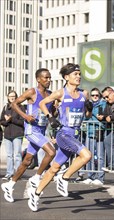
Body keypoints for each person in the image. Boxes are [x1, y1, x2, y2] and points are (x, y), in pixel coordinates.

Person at [27, 63, 92, 212]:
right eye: (75, 74)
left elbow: (87, 116)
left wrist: (89, 109)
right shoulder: (60, 93)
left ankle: (35, 194)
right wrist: (50, 117)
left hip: (74, 134)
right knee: (86, 155)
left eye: (79, 74)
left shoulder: (84, 94)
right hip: (63, 134)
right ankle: (64, 177)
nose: (79, 77)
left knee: (54, 168)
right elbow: (43, 103)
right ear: (66, 77)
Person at [1, 68, 57, 203]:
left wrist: (55, 109)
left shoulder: (50, 94)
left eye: (50, 78)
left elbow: (51, 112)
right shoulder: (32, 92)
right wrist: (25, 116)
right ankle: (36, 177)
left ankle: (9, 185)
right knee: (51, 152)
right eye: (46, 78)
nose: (49, 80)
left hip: (41, 131)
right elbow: (14, 104)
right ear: (38, 79)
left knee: (26, 161)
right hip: (32, 131)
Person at [82, 87, 106, 186]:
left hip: (99, 131)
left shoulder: (103, 104)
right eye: (93, 95)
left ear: (99, 96)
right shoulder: (88, 104)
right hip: (89, 131)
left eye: (97, 95)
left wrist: (93, 113)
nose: (95, 97)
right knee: (89, 156)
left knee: (100, 156)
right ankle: (90, 176)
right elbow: (85, 117)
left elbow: (102, 117)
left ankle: (100, 178)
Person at [0, 90, 25, 180]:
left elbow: (23, 122)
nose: (12, 98)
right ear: (8, 97)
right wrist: (6, 121)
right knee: (9, 155)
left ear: (16, 97)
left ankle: (17, 174)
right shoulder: (6, 107)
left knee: (17, 155)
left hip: (17, 134)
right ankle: (9, 173)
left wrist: (11, 119)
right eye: (10, 96)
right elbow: (1, 121)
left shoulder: (20, 107)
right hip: (7, 135)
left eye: (14, 96)